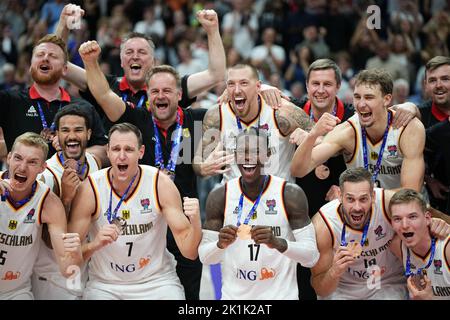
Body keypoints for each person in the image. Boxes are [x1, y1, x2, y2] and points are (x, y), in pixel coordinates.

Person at [68, 123, 202, 299]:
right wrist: (95, 244)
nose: (122, 156)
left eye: (129, 150)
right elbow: (70, 259)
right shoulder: (91, 188)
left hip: (156, 282)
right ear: (107, 152)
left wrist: (196, 221)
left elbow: (190, 252)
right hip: (105, 285)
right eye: (116, 149)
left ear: (141, 152)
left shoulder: (160, 184)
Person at [56, 4, 226, 132]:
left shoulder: (168, 89)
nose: (135, 56)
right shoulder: (103, 85)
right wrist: (64, 24)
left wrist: (212, 31)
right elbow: (59, 64)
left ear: (153, 61)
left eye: (142, 52)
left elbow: (216, 74)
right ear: (121, 61)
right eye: (129, 52)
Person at [198, 127, 319, 299]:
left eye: (256, 151)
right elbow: (205, 257)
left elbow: (311, 257)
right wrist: (220, 244)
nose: (248, 156)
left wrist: (278, 243)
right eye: (242, 151)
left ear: (268, 154)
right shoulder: (220, 195)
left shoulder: (289, 194)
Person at [311, 167, 450, 300]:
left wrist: (440, 222)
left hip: (387, 283)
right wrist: (334, 271)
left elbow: (422, 210)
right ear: (340, 197)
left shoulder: (387, 201)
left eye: (364, 199)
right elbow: (320, 288)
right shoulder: (324, 224)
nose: (357, 207)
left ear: (373, 195)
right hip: (343, 288)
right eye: (350, 199)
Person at [291, 69, 426, 192]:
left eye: (368, 97)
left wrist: (364, 196)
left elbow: (410, 193)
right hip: (360, 209)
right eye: (357, 97)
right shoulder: (348, 130)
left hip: (401, 211)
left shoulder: (408, 129)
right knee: (320, 217)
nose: (361, 104)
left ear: (387, 99)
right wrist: (313, 135)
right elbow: (298, 170)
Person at [194, 63, 314, 183]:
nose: (236, 91)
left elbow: (325, 140)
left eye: (244, 83)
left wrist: (310, 139)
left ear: (258, 87)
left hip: (277, 198)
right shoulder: (216, 115)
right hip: (234, 198)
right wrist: (202, 168)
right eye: (231, 84)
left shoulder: (282, 112)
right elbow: (197, 162)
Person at [0, 132, 82, 300]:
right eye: (18, 158)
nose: (22, 167)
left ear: (42, 168)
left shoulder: (49, 203)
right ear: (8, 158)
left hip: (15, 292)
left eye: (32, 162)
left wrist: (76, 254)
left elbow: (67, 269)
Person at [0, 34, 107, 162]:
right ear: (30, 65)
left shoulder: (83, 108)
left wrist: (74, 153)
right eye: (40, 55)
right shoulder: (9, 101)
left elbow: (103, 150)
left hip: (67, 179)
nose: (45, 58)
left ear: (65, 69)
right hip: (21, 179)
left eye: (53, 56)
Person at [32, 104, 102, 300]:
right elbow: (48, 239)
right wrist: (66, 199)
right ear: (57, 135)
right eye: (65, 130)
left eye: (78, 130)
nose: (71, 136)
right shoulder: (45, 177)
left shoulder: (93, 162)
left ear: (88, 133)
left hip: (85, 270)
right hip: (52, 276)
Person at [389, 189, 450, 300]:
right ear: (391, 223)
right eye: (397, 219)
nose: (405, 225)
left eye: (412, 217)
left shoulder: (447, 249)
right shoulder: (396, 245)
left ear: (427, 218)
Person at [419, 56, 450, 212]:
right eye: (432, 80)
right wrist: (427, 179)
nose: (439, 85)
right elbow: (400, 159)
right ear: (425, 86)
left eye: (445, 79)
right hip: (436, 205)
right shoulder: (418, 117)